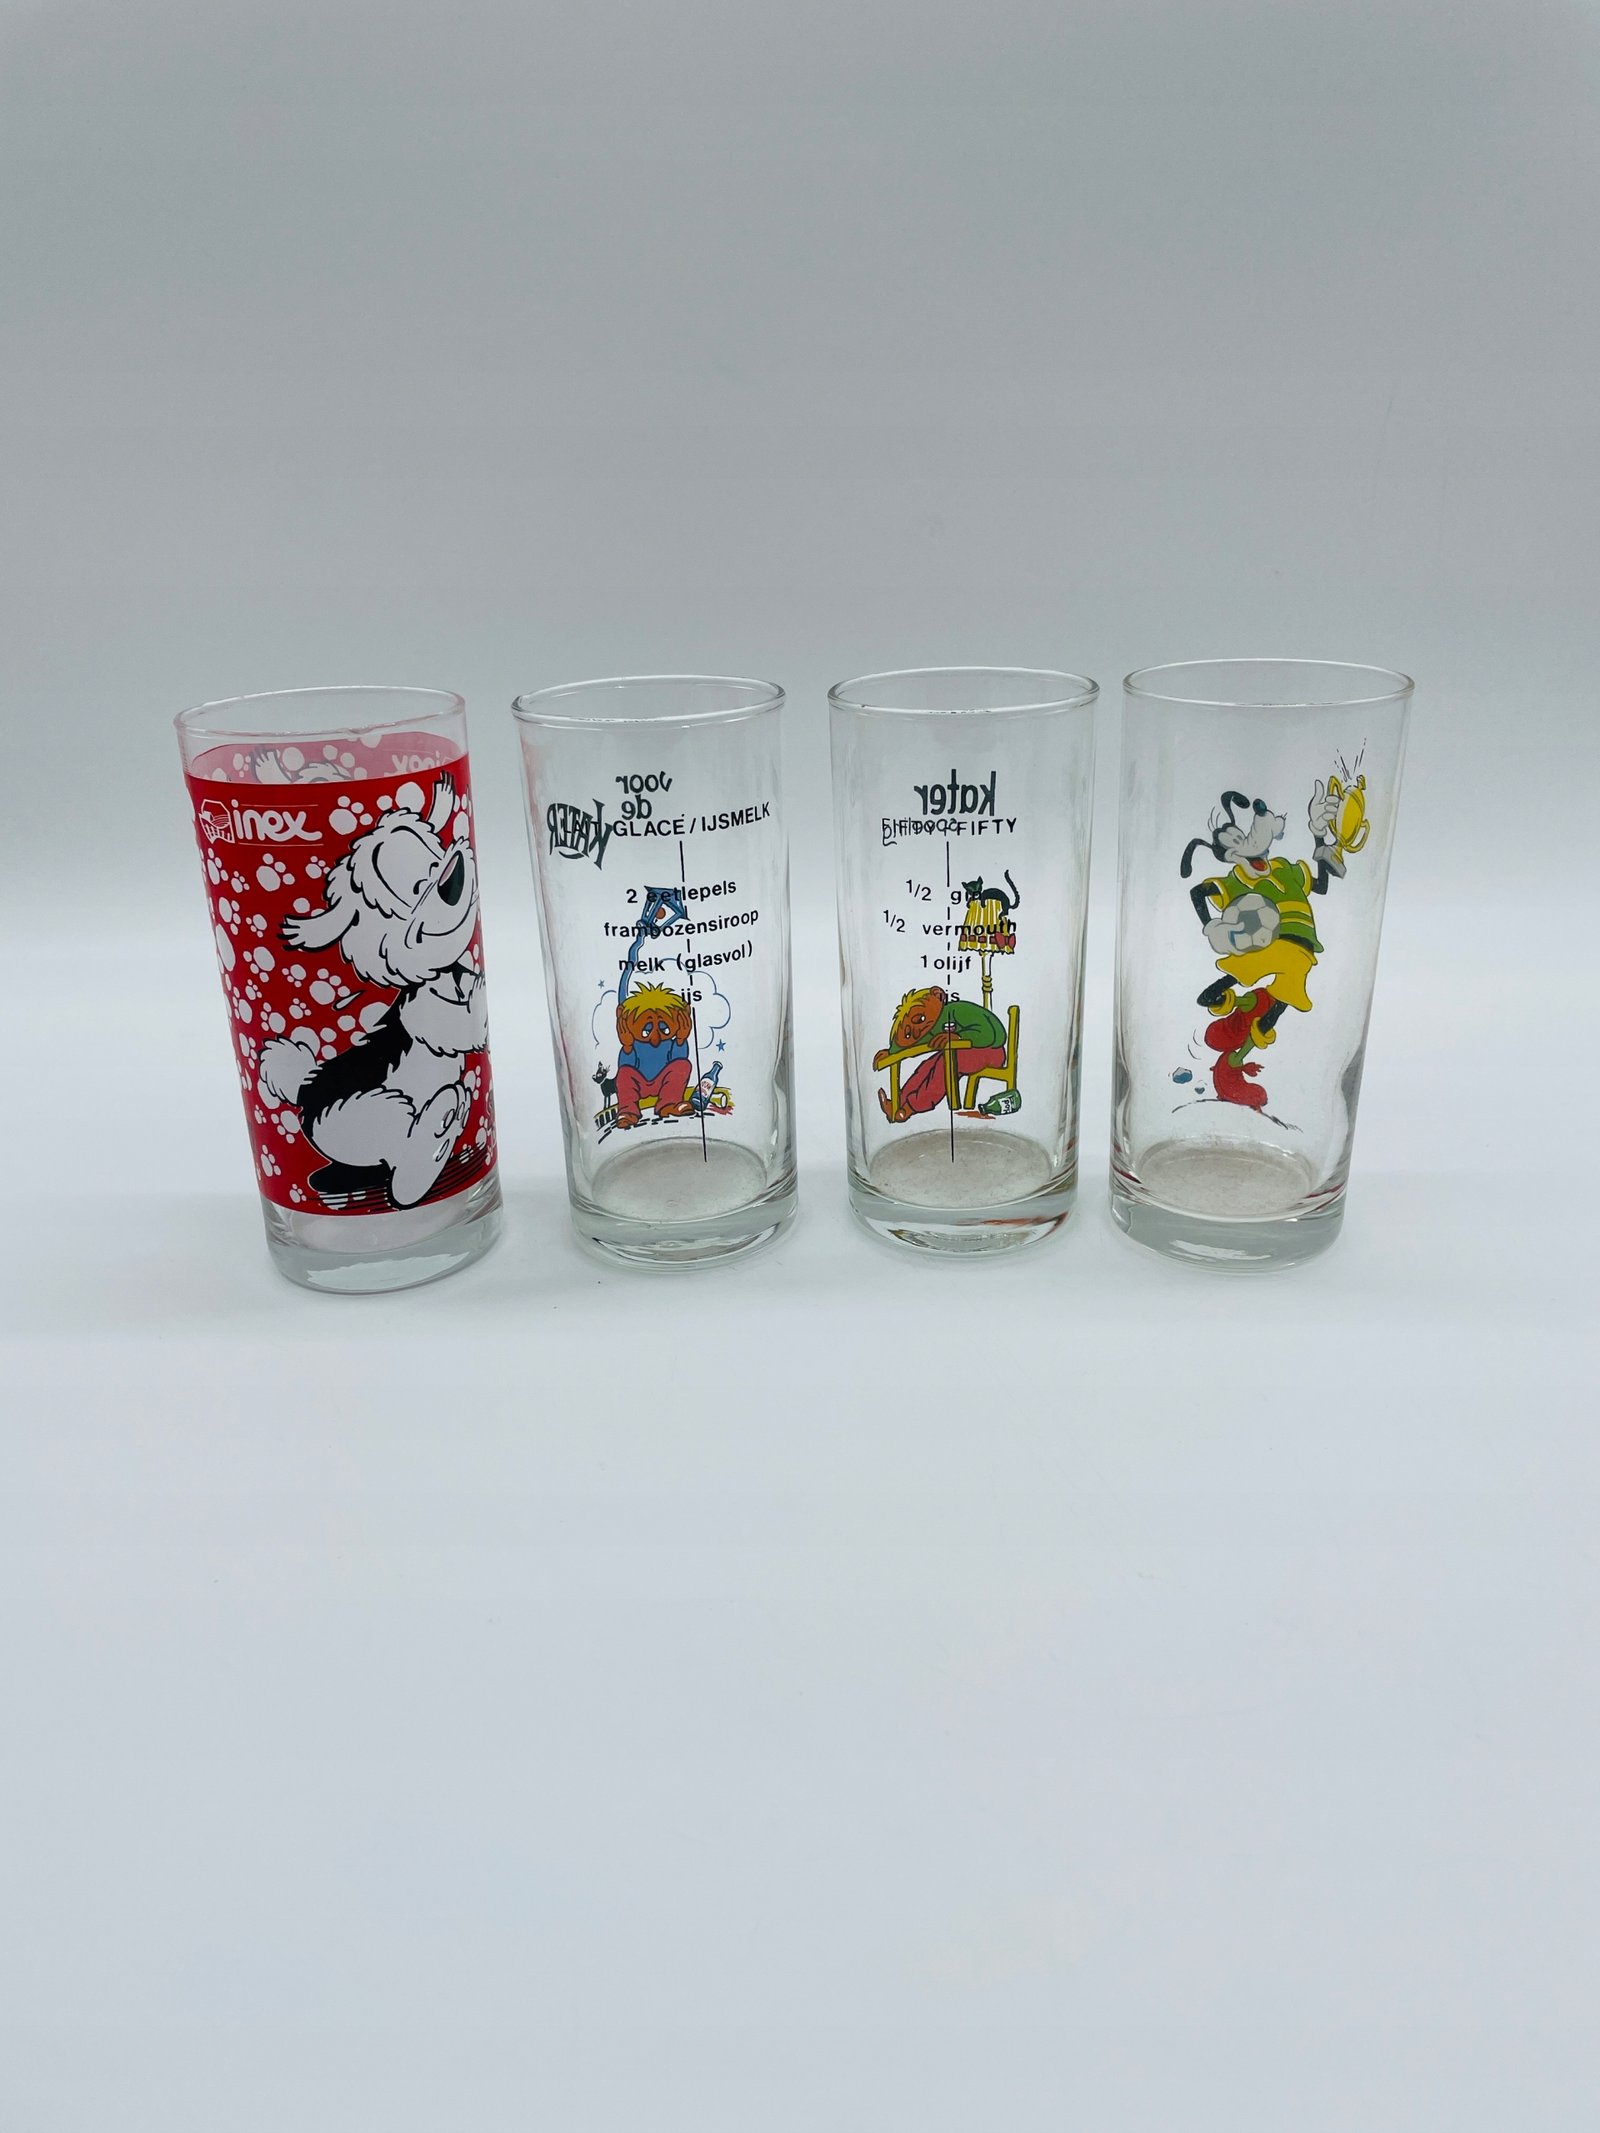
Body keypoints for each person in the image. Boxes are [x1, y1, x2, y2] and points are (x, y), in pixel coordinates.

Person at [874, 984, 1007, 1122]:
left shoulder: (958, 1010)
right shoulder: (930, 1028)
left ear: (938, 995)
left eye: (919, 1019)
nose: (917, 1031)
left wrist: (959, 1037)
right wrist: (891, 1051)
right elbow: (913, 1041)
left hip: (991, 1051)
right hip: (960, 1053)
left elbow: (992, 1034)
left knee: (943, 1067)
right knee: (927, 1066)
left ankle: (910, 1108)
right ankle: (898, 1104)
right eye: (910, 1032)